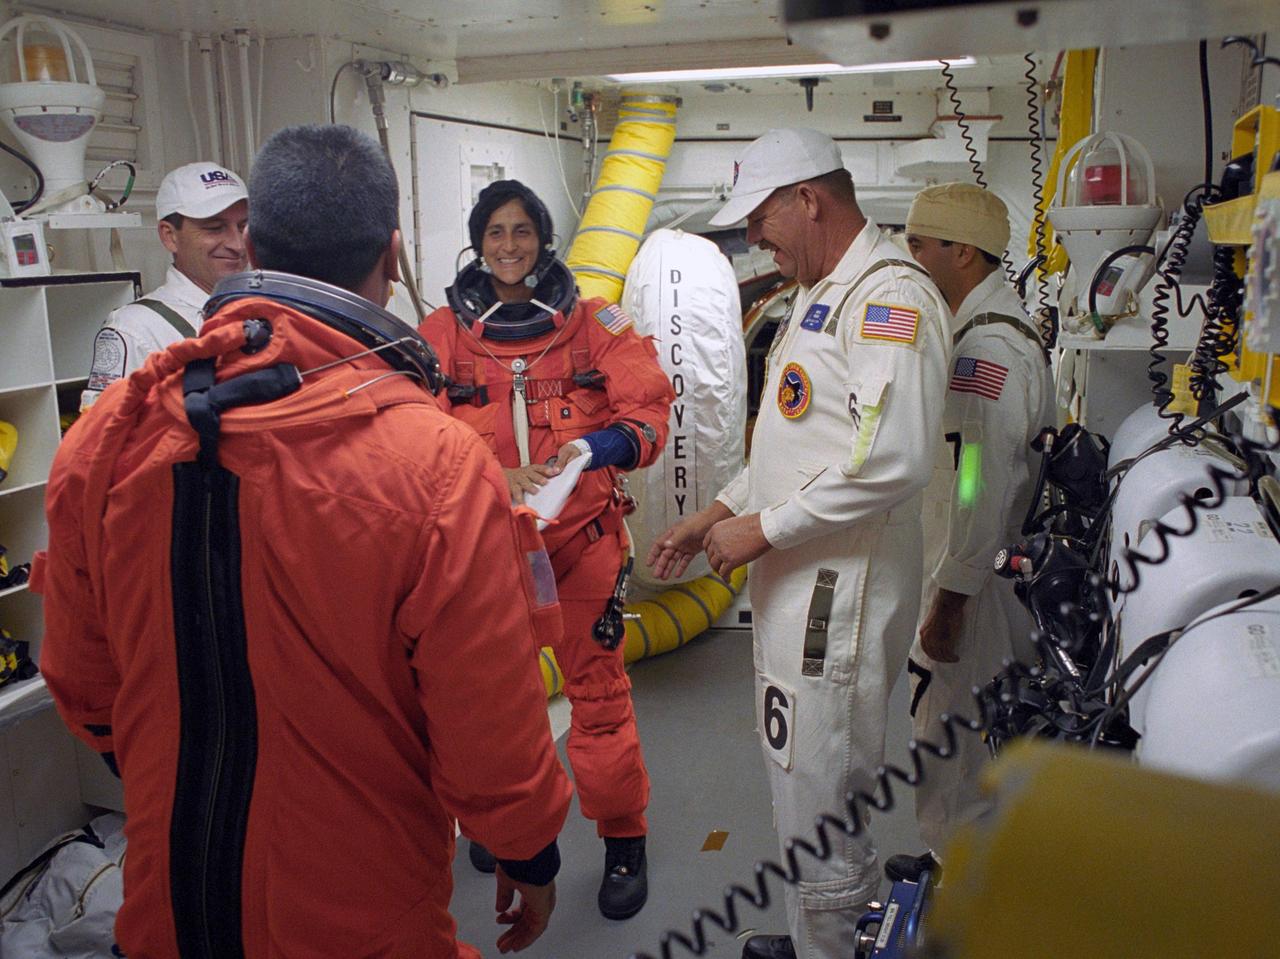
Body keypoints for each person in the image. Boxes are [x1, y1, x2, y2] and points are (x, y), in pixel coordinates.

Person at [33, 125, 572, 958]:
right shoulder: (434, 463)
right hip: (364, 912)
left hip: (172, 909)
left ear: (253, 244)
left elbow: (80, 681)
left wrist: (180, 758)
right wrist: (528, 847)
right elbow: (488, 719)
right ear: (391, 256)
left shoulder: (109, 439)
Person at [647, 128, 951, 959]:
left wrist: (762, 528)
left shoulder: (891, 300)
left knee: (822, 802)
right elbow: (798, 440)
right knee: (796, 786)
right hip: (795, 594)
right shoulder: (822, 294)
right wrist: (717, 510)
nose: (752, 239)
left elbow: (894, 459)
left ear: (808, 199)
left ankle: (827, 941)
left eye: (760, 218)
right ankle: (813, 938)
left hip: (835, 600)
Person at [420, 179, 673, 921]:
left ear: (543, 238)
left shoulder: (595, 324)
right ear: (478, 240)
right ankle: (506, 825)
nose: (508, 246)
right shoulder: (442, 335)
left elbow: (648, 409)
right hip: (490, 549)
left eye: (521, 231)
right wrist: (493, 472)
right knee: (497, 702)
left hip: (581, 545)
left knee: (596, 699)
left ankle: (624, 837)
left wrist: (589, 449)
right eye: (495, 232)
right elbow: (410, 424)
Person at [887, 183, 1054, 881]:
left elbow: (978, 482)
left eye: (919, 244)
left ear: (961, 251)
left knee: (950, 737)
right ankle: (951, 858)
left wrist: (950, 598)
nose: (910, 256)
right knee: (963, 736)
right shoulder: (986, 334)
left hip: (971, 583)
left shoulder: (986, 354)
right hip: (977, 571)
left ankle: (960, 883)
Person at [80, 161, 249, 410]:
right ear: (170, 236)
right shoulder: (135, 330)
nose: (237, 245)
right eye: (215, 228)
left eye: (243, 226)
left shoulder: (270, 308)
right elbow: (105, 438)